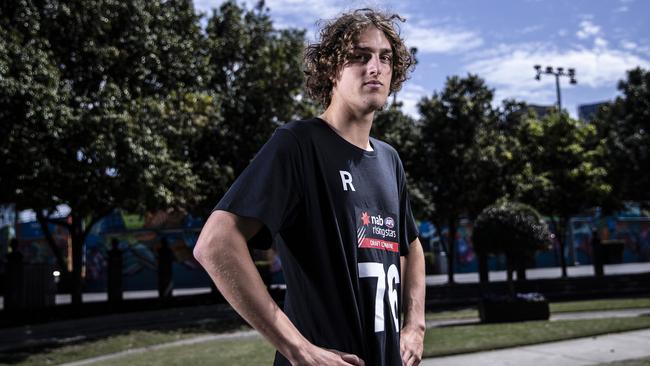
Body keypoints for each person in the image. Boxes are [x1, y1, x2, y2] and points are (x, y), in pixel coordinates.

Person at [194, 8, 425, 366]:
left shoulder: (388, 159)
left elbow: (410, 246)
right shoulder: (298, 144)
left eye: (385, 58)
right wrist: (299, 349)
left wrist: (415, 325)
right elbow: (215, 244)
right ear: (332, 69)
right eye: (359, 57)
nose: (375, 67)